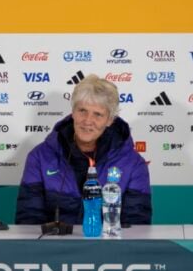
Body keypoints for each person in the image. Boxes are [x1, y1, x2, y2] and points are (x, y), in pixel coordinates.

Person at [16, 74, 152, 225]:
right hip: (53, 246)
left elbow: (137, 226)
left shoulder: (134, 164)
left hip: (110, 246)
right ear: (72, 112)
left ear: (110, 120)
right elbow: (28, 221)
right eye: (82, 111)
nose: (88, 121)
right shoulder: (39, 157)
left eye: (98, 114)